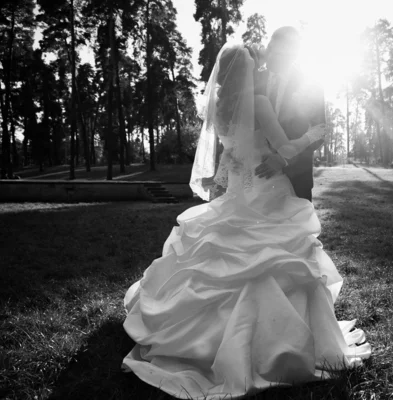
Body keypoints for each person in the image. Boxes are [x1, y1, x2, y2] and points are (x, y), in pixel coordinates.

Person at [122, 42, 371, 400]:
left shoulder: (222, 107)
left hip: (239, 190)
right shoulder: (260, 103)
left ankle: (202, 340)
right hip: (267, 189)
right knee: (275, 259)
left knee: (220, 254)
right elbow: (283, 145)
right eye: (255, 64)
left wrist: (225, 179)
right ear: (246, 70)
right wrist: (311, 136)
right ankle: (279, 342)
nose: (260, 67)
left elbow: (229, 154)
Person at [254, 26, 325, 202]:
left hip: (296, 178)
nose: (269, 56)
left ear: (292, 56)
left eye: (277, 54)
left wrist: (284, 158)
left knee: (296, 229)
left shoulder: (310, 84)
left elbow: (320, 129)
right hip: (257, 174)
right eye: (269, 49)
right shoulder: (254, 79)